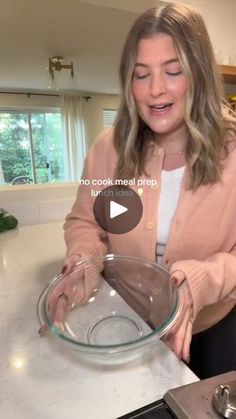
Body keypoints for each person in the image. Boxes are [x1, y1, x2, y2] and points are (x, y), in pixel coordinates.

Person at [51, 3, 236, 379]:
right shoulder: (108, 148)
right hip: (129, 320)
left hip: (214, 324)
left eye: (173, 71)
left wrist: (202, 278)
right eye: (141, 75)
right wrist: (83, 257)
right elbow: (85, 221)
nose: (155, 90)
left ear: (198, 75)